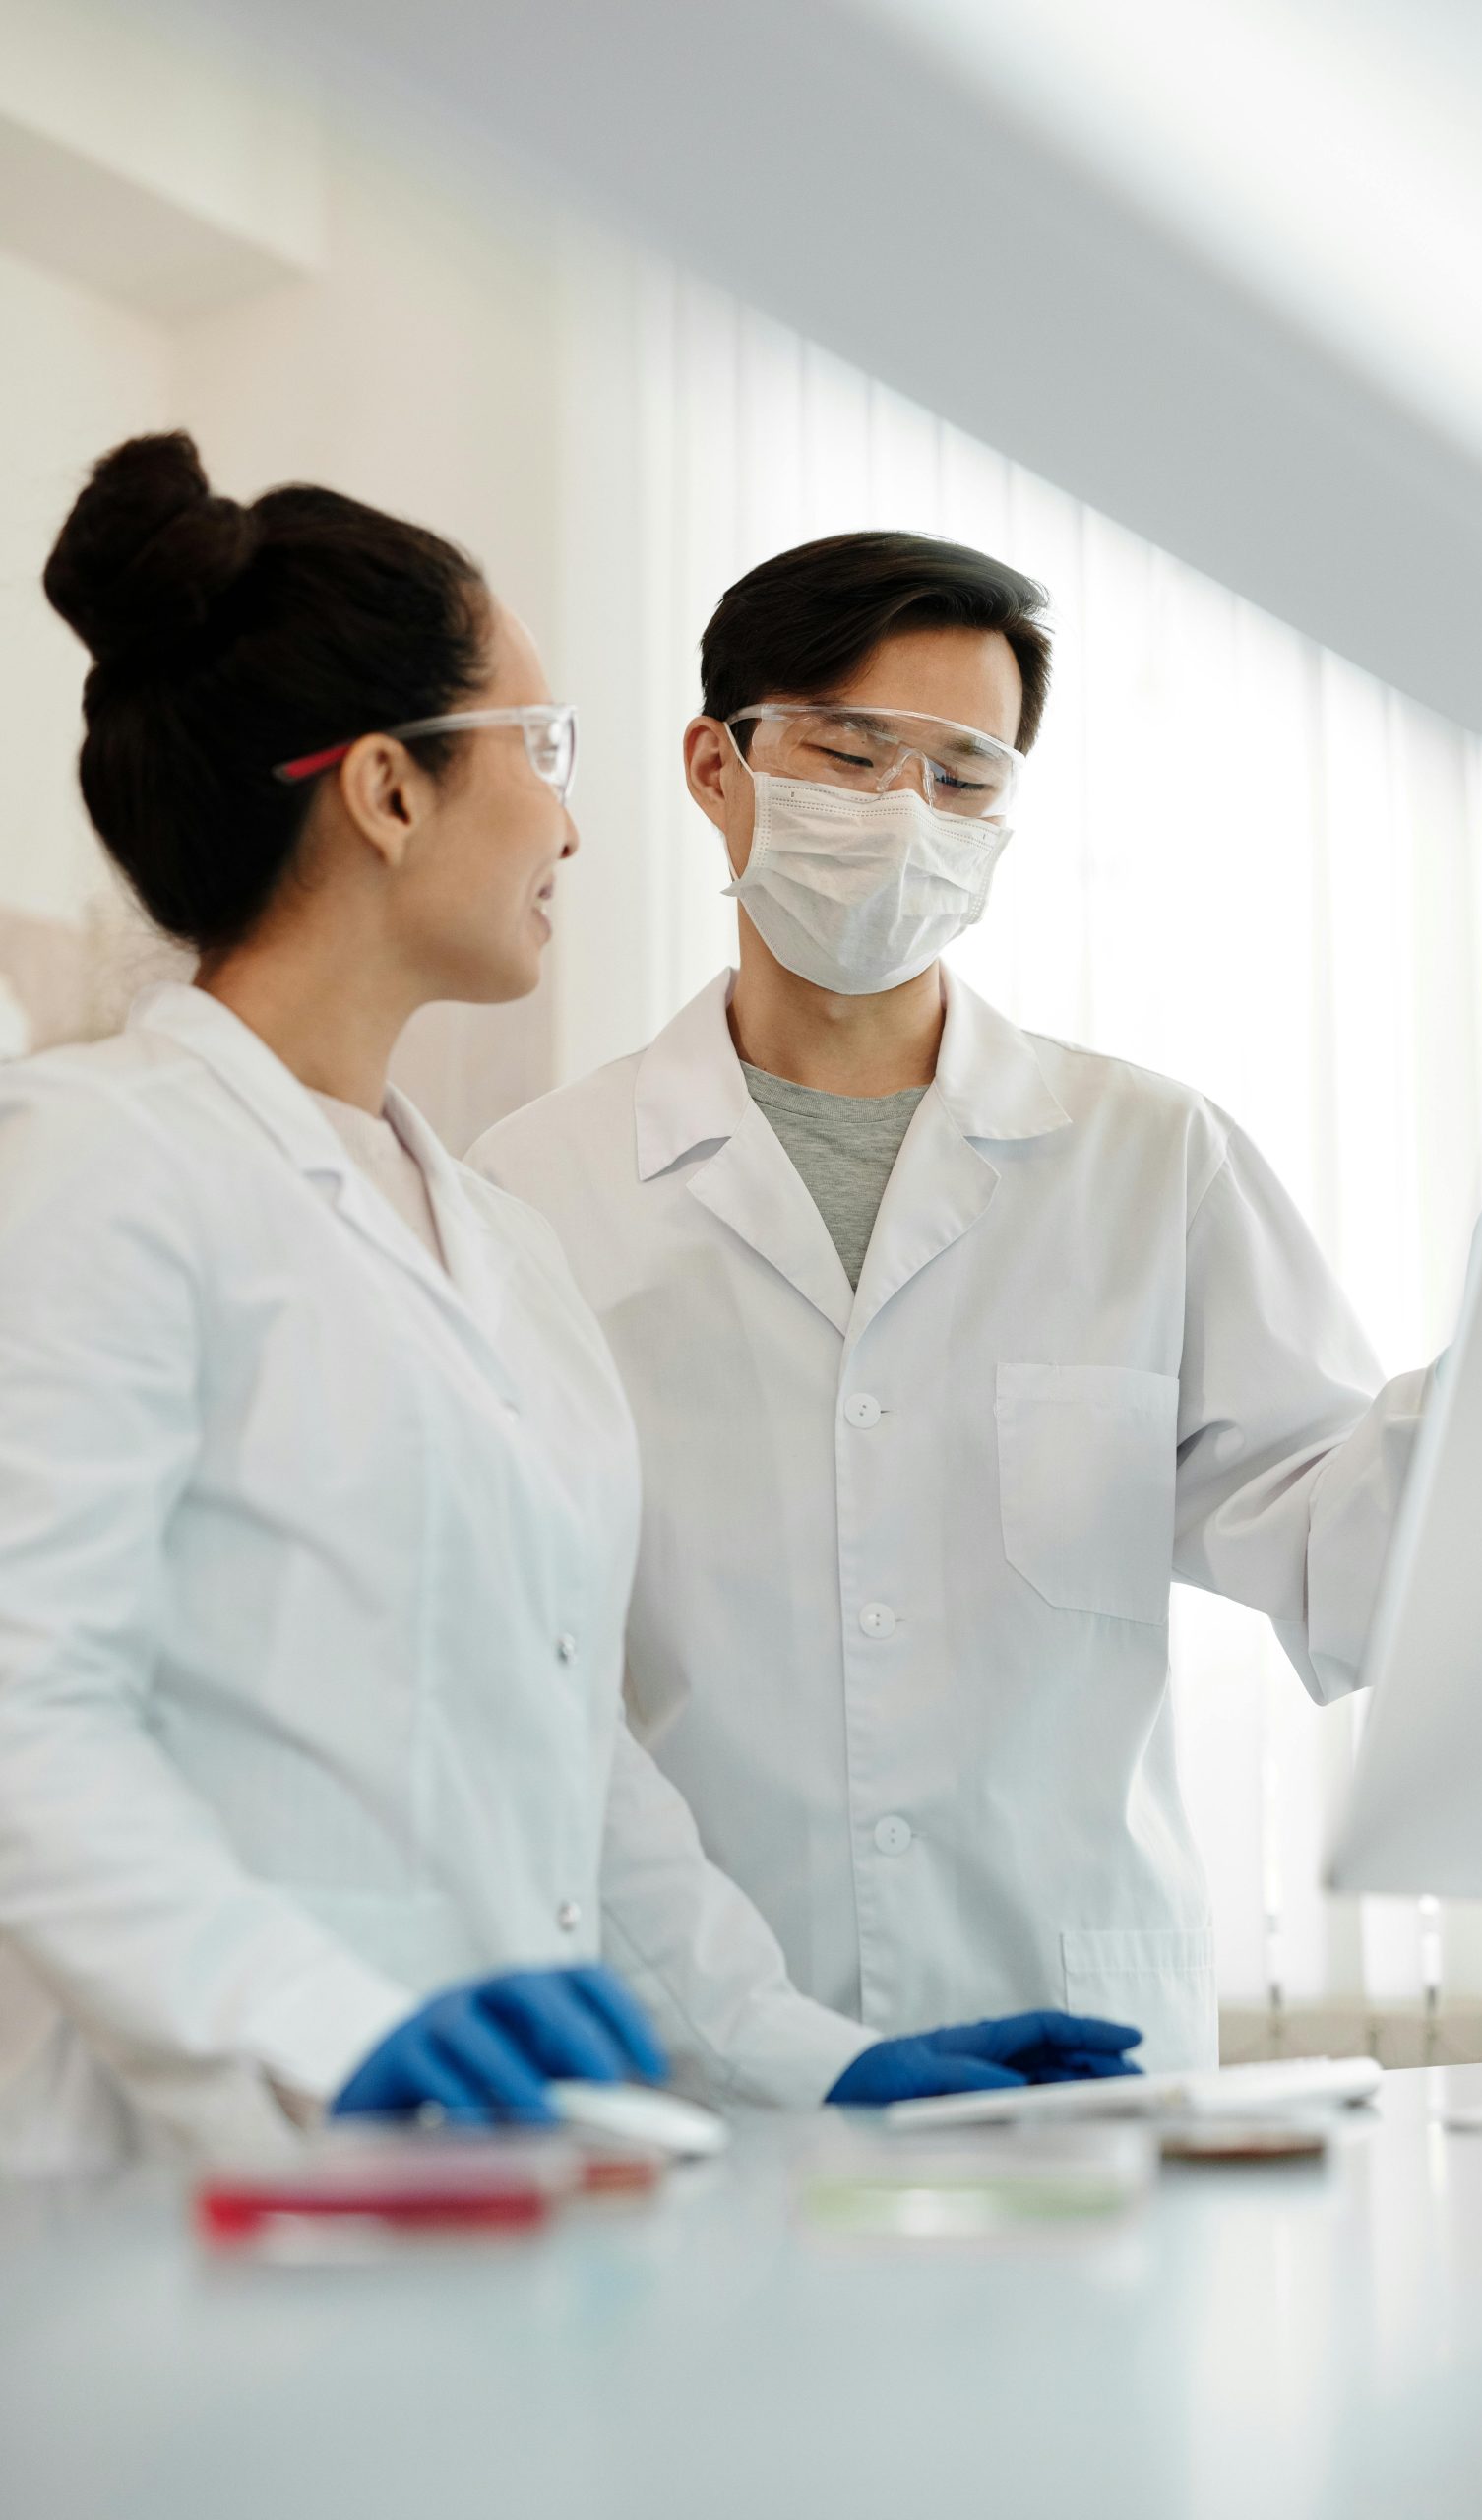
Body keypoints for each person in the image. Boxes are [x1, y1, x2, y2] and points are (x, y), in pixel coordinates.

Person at [0, 454, 1141, 2174]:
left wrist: (815, 2062)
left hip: (480, 2186)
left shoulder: (494, 1239)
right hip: (187, 2184)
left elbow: (578, 1767)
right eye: (543, 751)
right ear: (386, 791)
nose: (574, 822)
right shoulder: (99, 1163)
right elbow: (26, 1717)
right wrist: (338, 2026)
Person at [470, 531, 1434, 2073]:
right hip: (717, 2046)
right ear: (717, 767)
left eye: (965, 780)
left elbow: (1346, 1547)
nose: (906, 816)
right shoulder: (534, 1192)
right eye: (852, 754)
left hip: (1080, 2034)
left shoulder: (1146, 1160)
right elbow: (519, 1677)